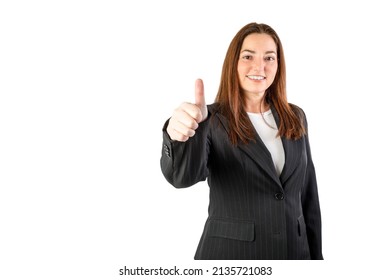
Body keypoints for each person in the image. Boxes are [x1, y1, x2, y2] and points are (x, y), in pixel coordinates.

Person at [160, 22, 323, 260]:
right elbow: (182, 177)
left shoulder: (295, 116)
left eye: (269, 58)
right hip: (233, 257)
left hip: (295, 253)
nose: (260, 66)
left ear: (278, 65)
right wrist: (178, 136)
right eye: (248, 56)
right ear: (233, 62)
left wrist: (317, 261)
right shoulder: (211, 119)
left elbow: (308, 193)